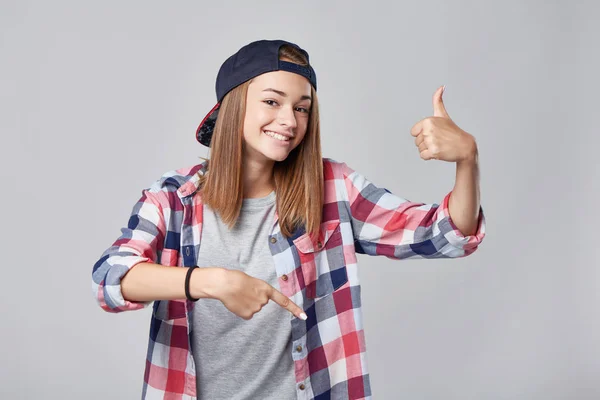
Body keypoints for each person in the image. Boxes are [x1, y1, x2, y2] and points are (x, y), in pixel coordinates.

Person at [91, 39, 486, 400]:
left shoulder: (333, 188)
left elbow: (445, 233)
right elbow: (112, 277)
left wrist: (467, 160)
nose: (290, 120)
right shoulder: (173, 199)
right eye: (272, 102)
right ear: (233, 105)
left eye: (301, 108)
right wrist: (210, 281)